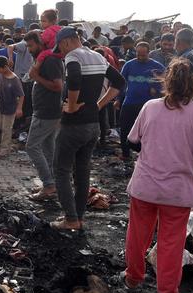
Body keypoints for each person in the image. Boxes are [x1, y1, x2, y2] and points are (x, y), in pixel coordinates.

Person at [124, 59, 193, 293]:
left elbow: (133, 143)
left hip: (145, 187)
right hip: (177, 191)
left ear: (167, 81)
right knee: (170, 245)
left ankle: (132, 278)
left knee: (137, 234)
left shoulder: (150, 107)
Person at [51, 27, 126, 230]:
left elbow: (74, 78)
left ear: (66, 42)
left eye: (62, 48)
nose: (63, 52)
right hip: (93, 125)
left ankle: (71, 219)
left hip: (73, 126)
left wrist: (73, 105)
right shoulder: (98, 56)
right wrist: (99, 104)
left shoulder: (73, 56)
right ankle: (78, 217)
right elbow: (120, 81)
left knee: (61, 170)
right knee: (82, 171)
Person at [21, 31, 64, 201]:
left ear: (40, 43)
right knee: (48, 148)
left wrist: (36, 77)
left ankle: (48, 185)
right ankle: (54, 183)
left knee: (31, 147)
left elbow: (58, 86)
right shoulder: (46, 60)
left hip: (46, 112)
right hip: (48, 111)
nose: (30, 50)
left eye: (31, 46)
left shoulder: (50, 61)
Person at [116, 42, 165, 160]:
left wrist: (156, 89)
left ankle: (146, 155)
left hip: (149, 104)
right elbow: (121, 83)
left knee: (147, 130)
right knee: (125, 128)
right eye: (138, 54)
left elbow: (166, 82)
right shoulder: (129, 65)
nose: (140, 57)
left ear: (149, 53)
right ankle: (126, 153)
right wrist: (118, 99)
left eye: (143, 55)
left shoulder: (157, 66)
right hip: (130, 102)